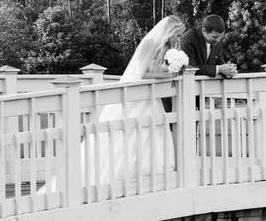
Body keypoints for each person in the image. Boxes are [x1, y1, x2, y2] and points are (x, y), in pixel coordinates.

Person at [39, 16, 186, 197]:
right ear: (169, 32)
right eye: (177, 35)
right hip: (137, 97)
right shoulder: (149, 44)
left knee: (151, 132)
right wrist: (166, 76)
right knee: (126, 134)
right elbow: (139, 74)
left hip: (152, 98)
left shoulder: (168, 49)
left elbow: (157, 69)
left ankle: (149, 174)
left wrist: (171, 69)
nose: (178, 39)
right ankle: (117, 176)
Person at [179, 14, 237, 78]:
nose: (218, 40)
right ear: (204, 31)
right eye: (214, 37)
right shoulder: (188, 39)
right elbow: (190, 67)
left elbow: (218, 61)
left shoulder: (218, 39)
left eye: (221, 37)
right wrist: (219, 69)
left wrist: (229, 69)